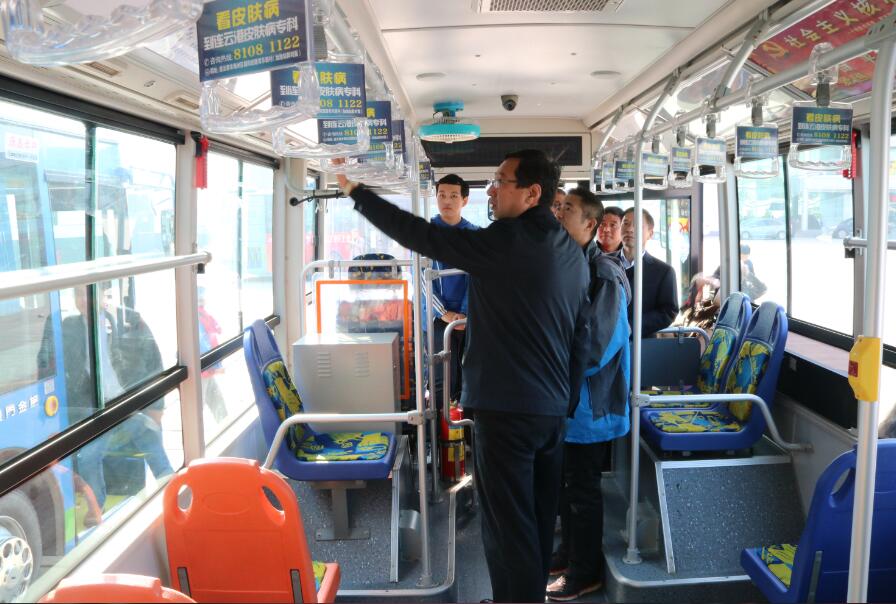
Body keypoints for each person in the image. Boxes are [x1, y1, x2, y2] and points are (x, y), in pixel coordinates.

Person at [337, 149, 589, 603]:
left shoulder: (505, 242)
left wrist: (359, 193)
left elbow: (420, 235)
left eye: (500, 181)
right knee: (536, 519)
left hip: (507, 410)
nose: (491, 190)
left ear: (532, 193)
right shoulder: (571, 252)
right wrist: (563, 403)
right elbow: (580, 337)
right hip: (552, 413)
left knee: (508, 528)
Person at [549, 189, 631, 601]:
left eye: (568, 210)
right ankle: (569, 553)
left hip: (591, 402)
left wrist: (552, 371)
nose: (559, 214)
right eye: (559, 207)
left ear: (590, 225)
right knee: (568, 484)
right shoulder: (572, 263)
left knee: (582, 487)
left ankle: (586, 571)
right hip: (569, 398)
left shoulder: (604, 274)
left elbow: (599, 346)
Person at [424, 174, 478, 408]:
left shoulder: (474, 234)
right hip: (436, 316)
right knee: (442, 378)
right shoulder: (425, 233)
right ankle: (437, 428)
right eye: (442, 195)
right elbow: (422, 279)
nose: (447, 200)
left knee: (470, 376)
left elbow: (477, 277)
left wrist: (464, 313)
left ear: (464, 200)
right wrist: (444, 313)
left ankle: (467, 426)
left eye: (454, 196)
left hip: (468, 316)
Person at [622, 208, 678, 338]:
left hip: (643, 341)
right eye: (626, 223)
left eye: (637, 225)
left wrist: (629, 327)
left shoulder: (663, 272)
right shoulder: (604, 263)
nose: (630, 229)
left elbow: (668, 311)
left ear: (650, 233)